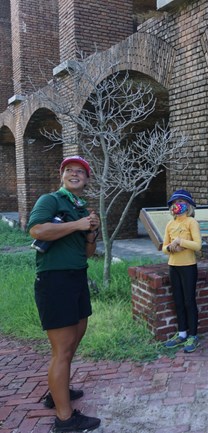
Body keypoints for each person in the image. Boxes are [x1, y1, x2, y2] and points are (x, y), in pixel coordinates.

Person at [28, 155, 101, 432]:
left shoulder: (79, 205)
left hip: (76, 277)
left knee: (73, 343)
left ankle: (56, 393)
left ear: (86, 179)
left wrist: (91, 231)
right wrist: (78, 225)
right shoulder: (50, 200)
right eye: (69, 170)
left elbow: (89, 253)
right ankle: (65, 419)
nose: (74, 174)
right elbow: (36, 230)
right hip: (54, 280)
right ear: (62, 176)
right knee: (61, 350)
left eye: (80, 172)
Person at [162, 189, 203, 353]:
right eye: (175, 202)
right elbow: (164, 247)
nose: (177, 205)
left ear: (188, 205)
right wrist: (171, 248)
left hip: (188, 266)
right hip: (174, 266)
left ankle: (193, 335)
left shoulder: (191, 222)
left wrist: (181, 241)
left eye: (181, 202)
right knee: (178, 301)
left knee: (189, 301)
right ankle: (182, 333)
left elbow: (198, 245)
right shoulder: (170, 224)